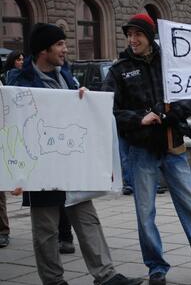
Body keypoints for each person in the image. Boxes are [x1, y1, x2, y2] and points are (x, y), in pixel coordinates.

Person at [102, 14, 191, 285]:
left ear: (150, 36)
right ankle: (156, 269)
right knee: (145, 213)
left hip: (173, 144)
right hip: (141, 150)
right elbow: (109, 108)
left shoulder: (173, 61)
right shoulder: (119, 69)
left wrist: (171, 116)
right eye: (129, 34)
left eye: (138, 33)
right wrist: (139, 119)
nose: (132, 39)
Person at [11, 23, 143, 285]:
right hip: (42, 169)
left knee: (87, 220)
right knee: (46, 230)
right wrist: (15, 172)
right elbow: (12, 127)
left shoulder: (66, 76)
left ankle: (106, 275)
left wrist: (83, 97)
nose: (65, 49)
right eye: (59, 44)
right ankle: (53, 281)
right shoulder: (20, 82)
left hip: (72, 166)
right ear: (43, 50)